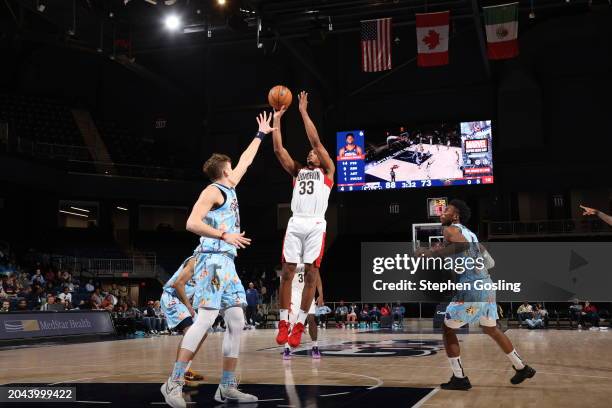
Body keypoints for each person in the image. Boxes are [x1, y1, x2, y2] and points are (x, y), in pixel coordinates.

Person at [161, 111, 273, 407]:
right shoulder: (212, 191)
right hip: (212, 259)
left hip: (227, 262)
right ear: (224, 171)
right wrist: (223, 235)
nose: (235, 168)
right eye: (231, 166)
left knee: (236, 321)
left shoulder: (229, 185)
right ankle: (173, 383)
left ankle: (226, 387)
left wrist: (261, 134)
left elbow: (247, 159)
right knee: (206, 321)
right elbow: (191, 223)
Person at [418, 199, 535, 390]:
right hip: (487, 286)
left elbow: (462, 246)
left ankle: (459, 378)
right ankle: (522, 367)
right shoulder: (470, 233)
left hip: (471, 289)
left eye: (446, 209)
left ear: (455, 216)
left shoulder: (450, 229)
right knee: (491, 329)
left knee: (447, 329)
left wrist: (432, 254)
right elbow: (490, 263)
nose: (442, 212)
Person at [272, 91, 335, 348]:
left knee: (311, 274)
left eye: (314, 153)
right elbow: (278, 149)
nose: (311, 153)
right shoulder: (298, 171)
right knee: (287, 273)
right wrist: (277, 119)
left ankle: (299, 324)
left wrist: (303, 112)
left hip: (316, 223)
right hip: (296, 221)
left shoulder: (328, 171)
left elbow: (316, 141)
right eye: (309, 152)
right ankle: (284, 321)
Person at [160, 256, 206, 384]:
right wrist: (189, 305)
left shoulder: (208, 267)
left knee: (202, 333)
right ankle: (177, 374)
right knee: (190, 332)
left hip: (182, 301)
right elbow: (177, 284)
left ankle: (185, 370)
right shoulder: (195, 260)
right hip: (172, 298)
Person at [281, 263, 324, 360]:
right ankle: (287, 348)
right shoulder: (291, 260)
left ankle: (315, 346)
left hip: (308, 291)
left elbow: (317, 278)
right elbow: (284, 282)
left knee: (311, 318)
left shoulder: (310, 259)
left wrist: (320, 295)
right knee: (291, 321)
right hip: (294, 293)